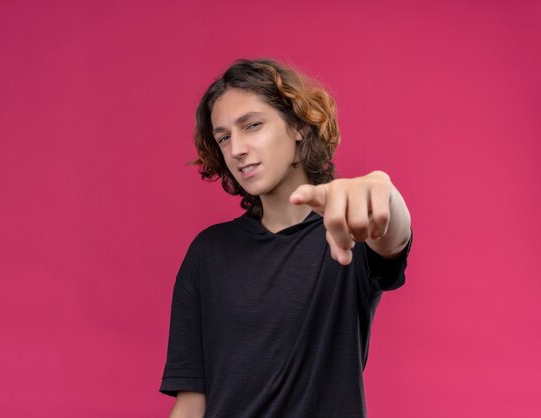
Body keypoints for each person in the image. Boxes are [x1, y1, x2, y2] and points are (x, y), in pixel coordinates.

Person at [159, 58, 413, 418]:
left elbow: (393, 235)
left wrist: (381, 189)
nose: (236, 150)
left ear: (296, 125)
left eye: (253, 126)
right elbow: (190, 402)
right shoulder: (208, 252)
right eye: (224, 137)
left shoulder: (347, 229)